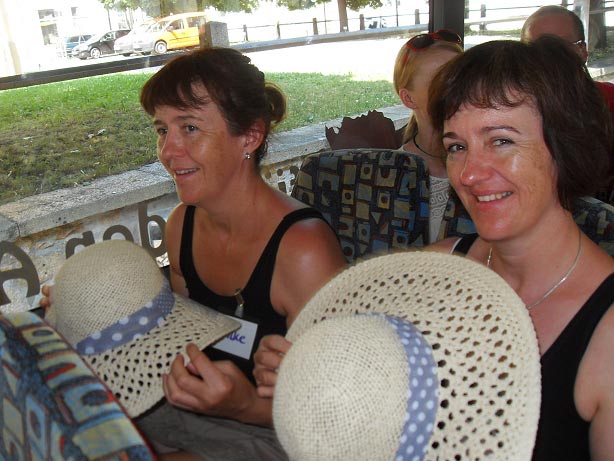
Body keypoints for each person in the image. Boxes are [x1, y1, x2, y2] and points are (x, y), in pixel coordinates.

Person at [255, 37, 614, 460]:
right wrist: (307, 371)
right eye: (457, 146)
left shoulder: (605, 334)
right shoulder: (434, 272)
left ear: (565, 145)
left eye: (501, 141)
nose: (470, 173)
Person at [135, 46, 347, 460]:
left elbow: (337, 410)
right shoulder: (181, 225)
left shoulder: (302, 250)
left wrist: (244, 405)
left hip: (285, 431)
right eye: (162, 130)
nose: (168, 151)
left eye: (189, 128)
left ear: (250, 136)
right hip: (201, 415)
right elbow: (183, 340)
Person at [521, 4, 614, 204]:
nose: (550, 57)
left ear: (583, 51)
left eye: (561, 46)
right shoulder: (507, 110)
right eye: (536, 49)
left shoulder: (609, 100)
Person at [393, 29, 463, 242]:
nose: (456, 88)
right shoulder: (395, 175)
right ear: (409, 99)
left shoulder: (492, 162)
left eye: (461, 77)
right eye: (439, 81)